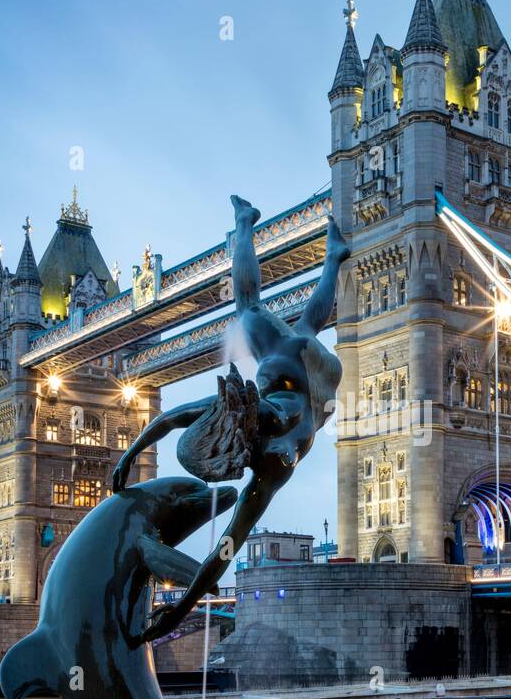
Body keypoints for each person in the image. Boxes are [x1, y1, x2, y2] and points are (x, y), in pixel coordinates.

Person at [112, 193, 349, 640]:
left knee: (292, 323)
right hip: (294, 367)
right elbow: (176, 418)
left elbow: (223, 551)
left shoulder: (273, 467)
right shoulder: (247, 415)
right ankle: (246, 223)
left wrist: (180, 610)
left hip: (320, 387)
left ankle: (327, 254)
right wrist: (131, 454)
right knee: (251, 308)